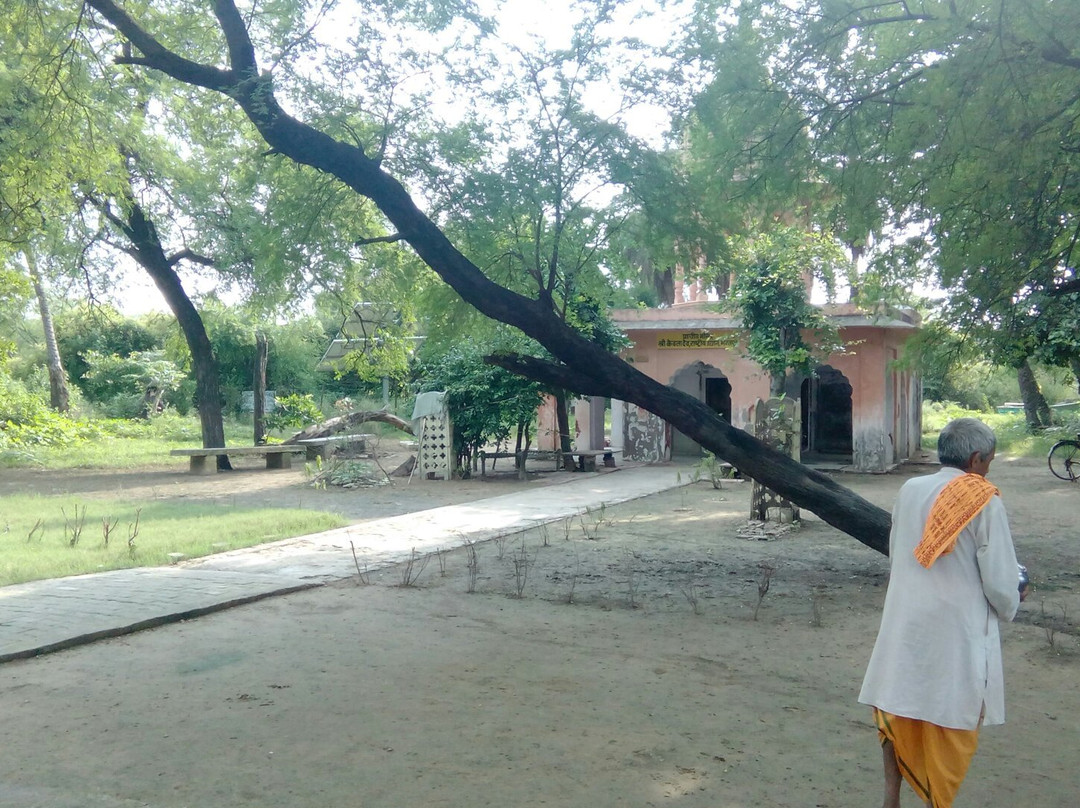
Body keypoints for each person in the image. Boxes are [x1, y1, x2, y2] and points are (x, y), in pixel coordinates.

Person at [859, 417, 1026, 808]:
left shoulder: (911, 489)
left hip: (905, 618)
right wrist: (1015, 597)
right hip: (956, 628)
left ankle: (890, 799)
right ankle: (938, 802)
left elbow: (898, 545)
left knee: (898, 705)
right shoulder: (984, 499)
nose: (989, 469)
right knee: (952, 715)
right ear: (975, 458)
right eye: (989, 460)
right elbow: (1000, 580)